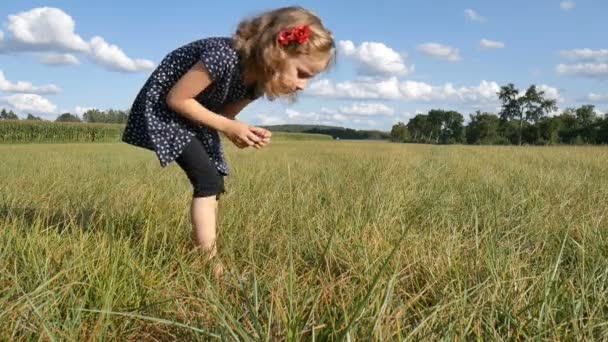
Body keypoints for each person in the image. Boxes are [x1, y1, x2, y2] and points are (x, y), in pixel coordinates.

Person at [121, 6, 335, 276]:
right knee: (208, 180)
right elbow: (177, 99)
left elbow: (224, 117)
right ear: (277, 51)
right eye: (302, 73)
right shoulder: (223, 56)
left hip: (195, 115)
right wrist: (230, 126)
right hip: (167, 111)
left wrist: (241, 133)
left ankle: (199, 246)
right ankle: (208, 262)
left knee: (214, 182)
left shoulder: (256, 83)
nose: (303, 85)